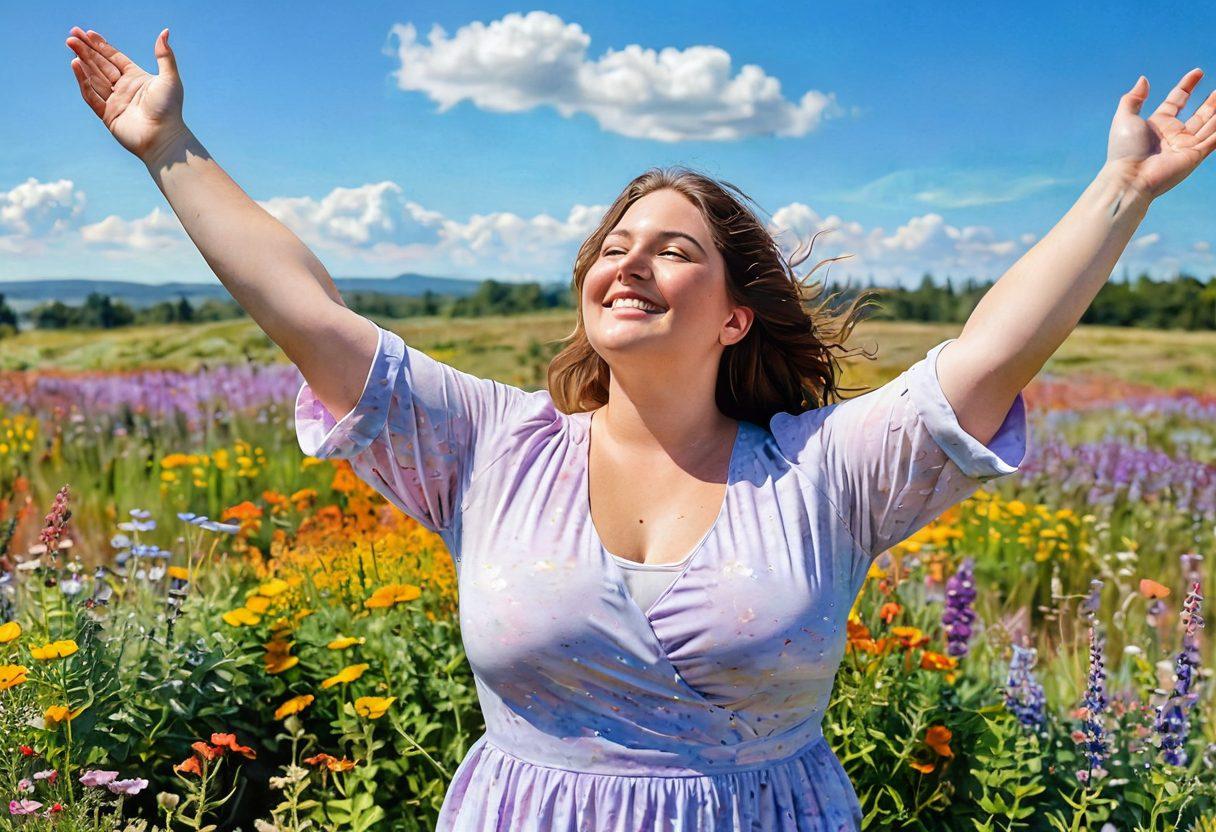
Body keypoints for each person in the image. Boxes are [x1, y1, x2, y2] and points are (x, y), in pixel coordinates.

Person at [67, 25, 1216, 830]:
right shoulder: (490, 445)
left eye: (674, 247)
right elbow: (310, 312)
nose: (630, 259)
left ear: (731, 315)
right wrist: (171, 149)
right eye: (614, 243)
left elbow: (987, 354)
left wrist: (1122, 190)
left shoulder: (822, 469)